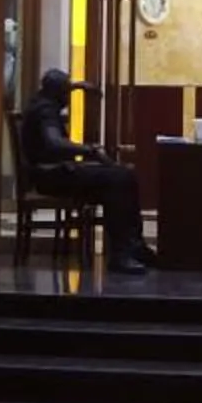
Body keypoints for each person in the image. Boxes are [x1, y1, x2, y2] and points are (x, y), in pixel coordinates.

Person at [25, 68, 155, 273]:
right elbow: (54, 143)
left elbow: (55, 90)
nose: (68, 98)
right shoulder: (46, 111)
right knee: (117, 180)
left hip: (57, 172)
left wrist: (79, 86)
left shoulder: (41, 101)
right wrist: (89, 151)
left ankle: (134, 247)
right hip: (51, 176)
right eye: (67, 92)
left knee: (124, 176)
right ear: (59, 93)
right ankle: (121, 253)